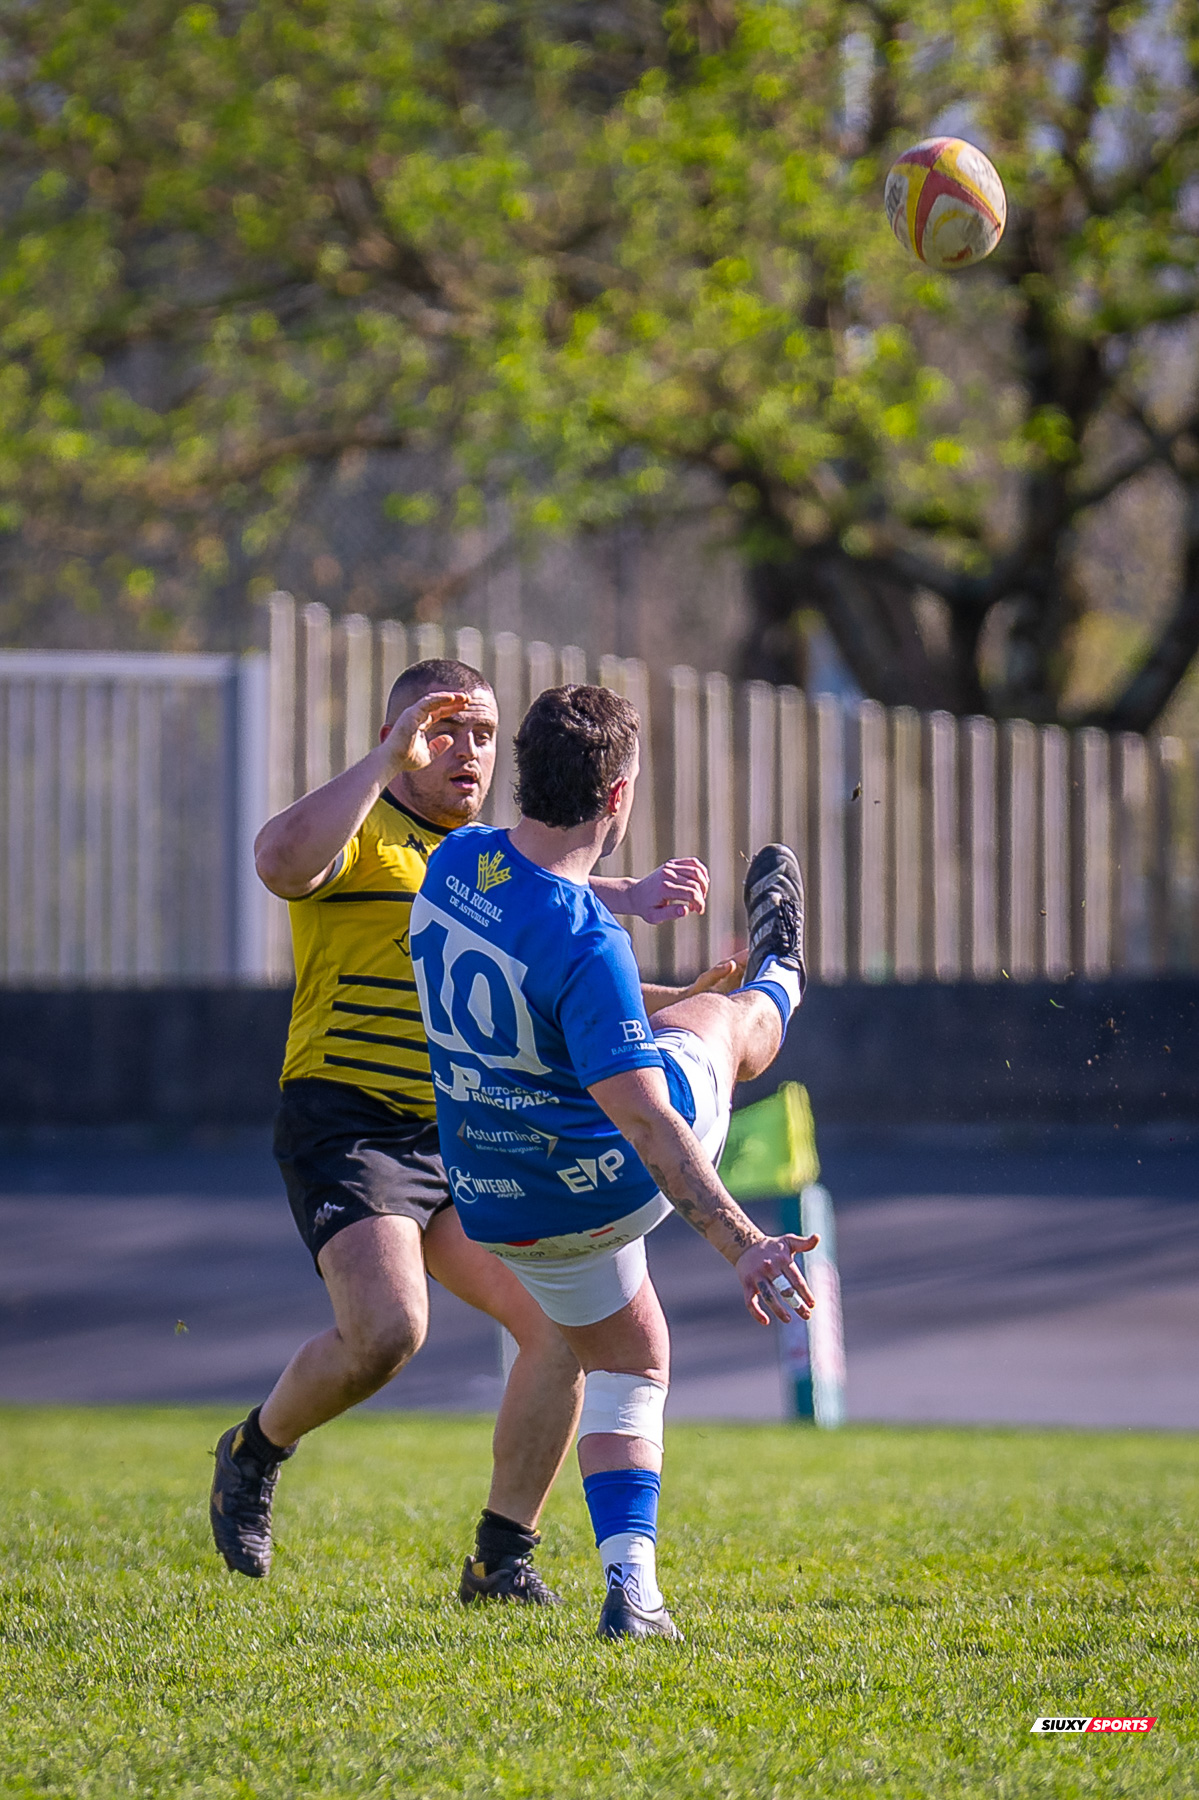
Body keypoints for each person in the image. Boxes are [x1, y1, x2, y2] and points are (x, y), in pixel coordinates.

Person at [209, 656, 733, 1603]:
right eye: (440, 729)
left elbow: (544, 955)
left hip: (460, 1128)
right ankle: (254, 1449)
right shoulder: (365, 825)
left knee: (562, 1329)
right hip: (352, 1127)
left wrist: (655, 950)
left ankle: (501, 1557)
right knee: (388, 1333)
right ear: (396, 736)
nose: (465, 750)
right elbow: (279, 860)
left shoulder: (483, 856)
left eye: (484, 734)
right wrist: (381, 761)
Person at [411, 682, 815, 1641]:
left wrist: (624, 899)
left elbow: (532, 899)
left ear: (520, 775)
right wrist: (745, 1242)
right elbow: (647, 1126)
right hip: (609, 1181)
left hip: (496, 1198)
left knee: (624, 1354)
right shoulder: (589, 946)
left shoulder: (455, 861)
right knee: (719, 1022)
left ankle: (627, 1592)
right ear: (619, 796)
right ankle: (785, 978)